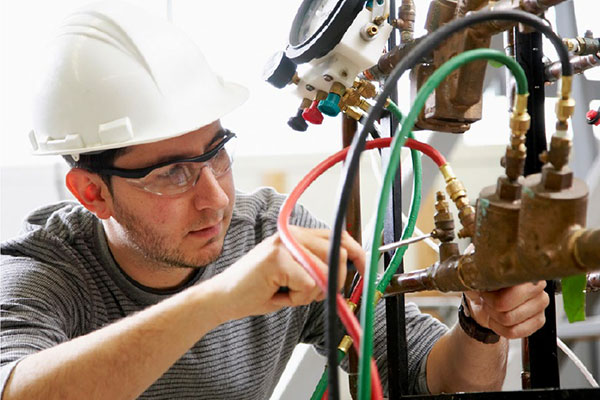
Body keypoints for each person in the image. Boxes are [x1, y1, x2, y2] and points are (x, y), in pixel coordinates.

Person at [0, 2, 549, 399]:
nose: (215, 199)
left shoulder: (270, 233)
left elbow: (435, 378)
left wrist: (481, 325)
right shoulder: (44, 273)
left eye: (217, 152)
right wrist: (221, 299)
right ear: (92, 192)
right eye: (171, 174)